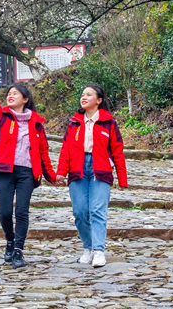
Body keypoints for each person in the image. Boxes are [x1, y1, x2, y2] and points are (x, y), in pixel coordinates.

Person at [0, 64, 56, 269]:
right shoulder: (1, 117)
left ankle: (18, 250)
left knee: (21, 211)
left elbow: (43, 153)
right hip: (4, 170)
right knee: (4, 211)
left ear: (25, 99)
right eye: (9, 93)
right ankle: (10, 241)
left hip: (27, 173)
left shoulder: (36, 124)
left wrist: (52, 176)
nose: (10, 96)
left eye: (15, 93)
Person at [54, 84, 127, 268]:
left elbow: (117, 150)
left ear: (99, 100)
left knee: (97, 211)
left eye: (89, 94)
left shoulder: (109, 122)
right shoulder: (74, 123)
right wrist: (61, 172)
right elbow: (66, 149)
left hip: (100, 169)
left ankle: (99, 250)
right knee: (79, 212)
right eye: (82, 94)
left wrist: (122, 177)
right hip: (78, 169)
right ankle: (88, 247)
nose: (84, 97)